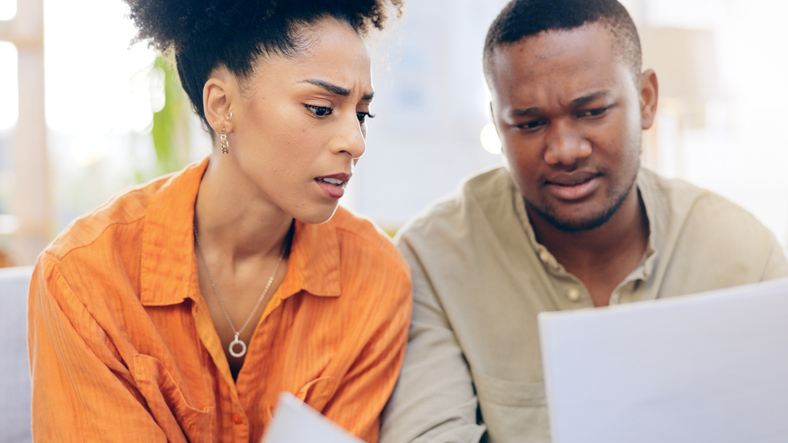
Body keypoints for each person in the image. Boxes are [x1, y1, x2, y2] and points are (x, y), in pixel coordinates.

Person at [379, 0, 788, 442]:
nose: (565, 150)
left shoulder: (744, 256)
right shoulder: (433, 258)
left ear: (646, 100)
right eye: (530, 123)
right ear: (498, 128)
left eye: (592, 112)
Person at [28, 1, 411, 442]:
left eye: (362, 114)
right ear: (222, 105)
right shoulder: (85, 279)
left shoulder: (376, 278)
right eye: (322, 108)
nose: (355, 142)